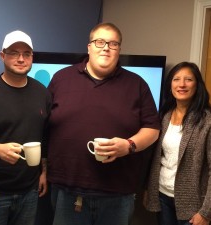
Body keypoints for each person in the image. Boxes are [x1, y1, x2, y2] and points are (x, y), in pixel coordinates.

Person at [46, 22, 160, 225]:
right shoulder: (61, 78)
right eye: (100, 42)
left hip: (118, 194)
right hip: (67, 191)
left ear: (119, 50)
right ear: (89, 47)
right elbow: (44, 126)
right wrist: (43, 169)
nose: (106, 47)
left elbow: (152, 128)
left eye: (113, 43)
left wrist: (129, 145)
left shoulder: (137, 84)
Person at [0, 30, 51, 225]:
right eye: (14, 53)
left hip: (29, 191)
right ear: (2, 55)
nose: (21, 59)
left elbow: (45, 136)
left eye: (26, 54)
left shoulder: (42, 93)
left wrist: (44, 172)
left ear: (32, 57)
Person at [144, 62, 211, 225]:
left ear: (197, 85)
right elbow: (155, 158)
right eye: (176, 79)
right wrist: (148, 189)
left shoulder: (207, 121)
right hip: (162, 197)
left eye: (188, 79)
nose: (181, 84)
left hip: (193, 205)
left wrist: (206, 212)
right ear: (170, 85)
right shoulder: (164, 116)